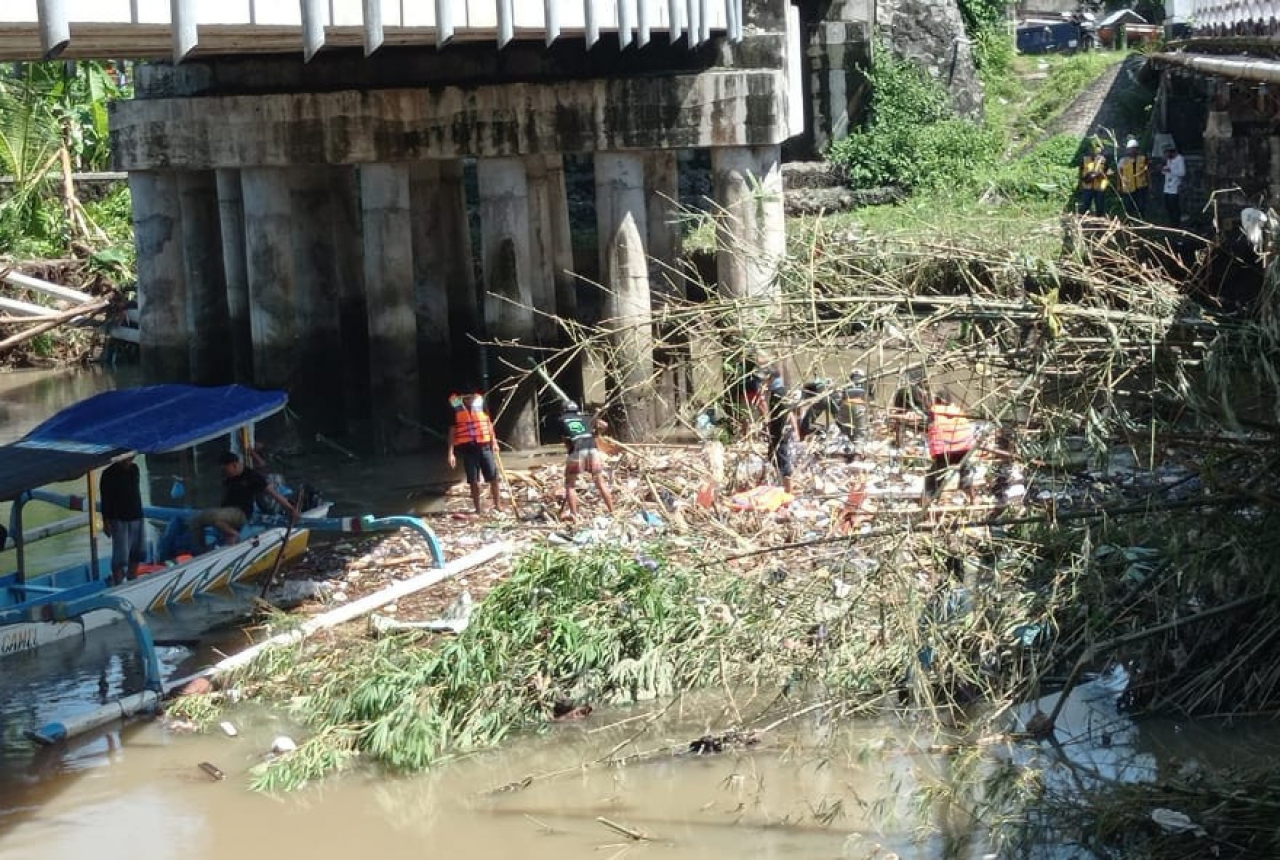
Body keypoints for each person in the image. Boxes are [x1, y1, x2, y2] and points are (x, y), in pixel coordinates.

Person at [189, 451, 298, 548]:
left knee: (215, 517)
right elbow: (224, 496)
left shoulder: (252, 476)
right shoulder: (229, 478)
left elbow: (274, 494)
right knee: (196, 521)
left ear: (234, 465)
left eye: (225, 469)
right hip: (227, 511)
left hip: (241, 512)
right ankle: (203, 550)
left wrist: (291, 509)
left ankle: (233, 534)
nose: (223, 472)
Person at [446, 391, 502, 515]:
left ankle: (497, 505)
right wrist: (451, 453)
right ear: (462, 398)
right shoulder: (455, 406)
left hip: (485, 446)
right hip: (468, 450)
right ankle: (478, 509)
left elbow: (488, 423)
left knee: (493, 477)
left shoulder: (481, 402)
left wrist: (494, 442)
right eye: (467, 398)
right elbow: (452, 431)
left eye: (471, 397)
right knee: (473, 480)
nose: (470, 400)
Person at [558, 401, 614, 520]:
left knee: (570, 485)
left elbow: (566, 442)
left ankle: (574, 515)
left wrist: (571, 452)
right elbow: (604, 425)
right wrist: (596, 434)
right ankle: (612, 512)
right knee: (600, 483)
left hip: (577, 450)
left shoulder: (562, 420)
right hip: (592, 449)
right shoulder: (585, 417)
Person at [922, 389, 977, 510]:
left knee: (932, 479)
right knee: (966, 473)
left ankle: (927, 505)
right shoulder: (958, 410)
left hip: (944, 451)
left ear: (938, 400)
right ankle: (973, 499)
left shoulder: (934, 411)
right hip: (964, 449)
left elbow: (927, 426)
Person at [100, 454, 145, 585]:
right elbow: (105, 500)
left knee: (137, 553)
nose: (129, 461)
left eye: (131, 458)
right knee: (120, 558)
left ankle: (133, 578)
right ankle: (118, 582)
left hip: (137, 516)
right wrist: (106, 521)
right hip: (119, 519)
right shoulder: (108, 474)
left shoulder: (135, 469)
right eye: (126, 459)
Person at [765, 375, 801, 493]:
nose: (765, 382)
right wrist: (795, 431)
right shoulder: (783, 391)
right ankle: (778, 483)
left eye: (767, 380)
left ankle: (788, 490)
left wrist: (771, 429)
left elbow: (775, 415)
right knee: (772, 456)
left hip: (779, 432)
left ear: (771, 379)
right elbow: (790, 413)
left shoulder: (776, 394)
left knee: (782, 459)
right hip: (783, 430)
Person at [1116, 138, 1149, 220]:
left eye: (1135, 149)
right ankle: (1129, 221)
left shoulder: (1143, 158)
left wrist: (1150, 183)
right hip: (1128, 187)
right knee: (1128, 205)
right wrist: (1118, 185)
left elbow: (1147, 171)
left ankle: (1141, 220)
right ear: (1128, 150)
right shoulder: (1123, 160)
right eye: (1131, 149)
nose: (1133, 151)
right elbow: (1119, 174)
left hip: (1141, 186)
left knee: (1141, 205)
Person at [1077, 139, 1110, 217]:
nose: (1096, 150)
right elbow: (1080, 171)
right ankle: (1083, 221)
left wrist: (1101, 175)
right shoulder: (1084, 159)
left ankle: (1099, 222)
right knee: (1085, 205)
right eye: (1094, 147)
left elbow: (1109, 172)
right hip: (1087, 186)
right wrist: (1084, 180)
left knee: (1100, 206)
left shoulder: (1104, 159)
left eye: (1098, 148)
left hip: (1100, 187)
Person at [1161, 142, 1186, 227]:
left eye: (1166, 153)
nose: (1166, 155)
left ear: (1171, 152)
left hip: (1175, 187)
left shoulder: (1180, 159)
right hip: (1167, 186)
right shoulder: (1169, 160)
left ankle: (1176, 223)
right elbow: (1167, 171)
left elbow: (1182, 173)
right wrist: (1164, 171)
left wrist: (1170, 171)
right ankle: (1171, 222)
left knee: (1174, 206)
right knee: (1168, 206)